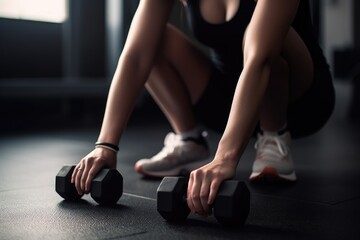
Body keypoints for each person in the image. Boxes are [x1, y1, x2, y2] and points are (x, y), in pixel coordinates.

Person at [71, 0, 335, 216]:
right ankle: (189, 139)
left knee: (265, 41)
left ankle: (274, 136)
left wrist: (224, 159)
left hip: (299, 102)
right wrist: (105, 145)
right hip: (227, 101)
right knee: (151, 38)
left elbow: (260, 59)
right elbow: (136, 54)